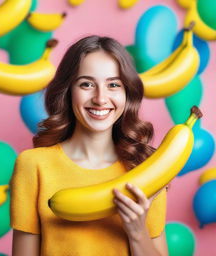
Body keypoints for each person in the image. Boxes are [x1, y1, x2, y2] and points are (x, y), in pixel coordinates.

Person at [10, 35, 169, 256]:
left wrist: (137, 232)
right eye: (87, 84)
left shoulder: (146, 169)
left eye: (113, 84)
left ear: (127, 93)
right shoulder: (33, 165)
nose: (100, 98)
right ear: (68, 91)